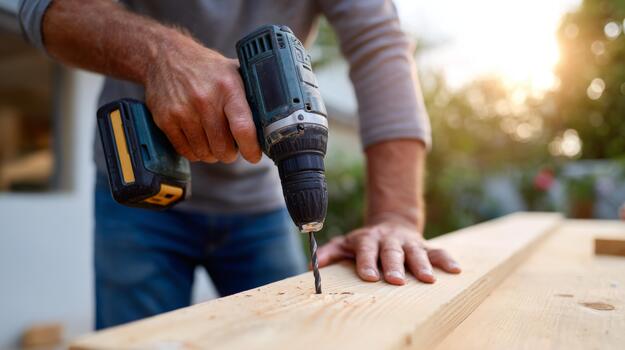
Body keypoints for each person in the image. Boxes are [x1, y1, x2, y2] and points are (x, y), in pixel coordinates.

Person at [18, 0, 461, 329]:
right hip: (143, 190)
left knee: (295, 333)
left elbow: (378, 42)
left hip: (257, 203)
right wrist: (159, 55)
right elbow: (41, 8)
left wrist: (396, 216)